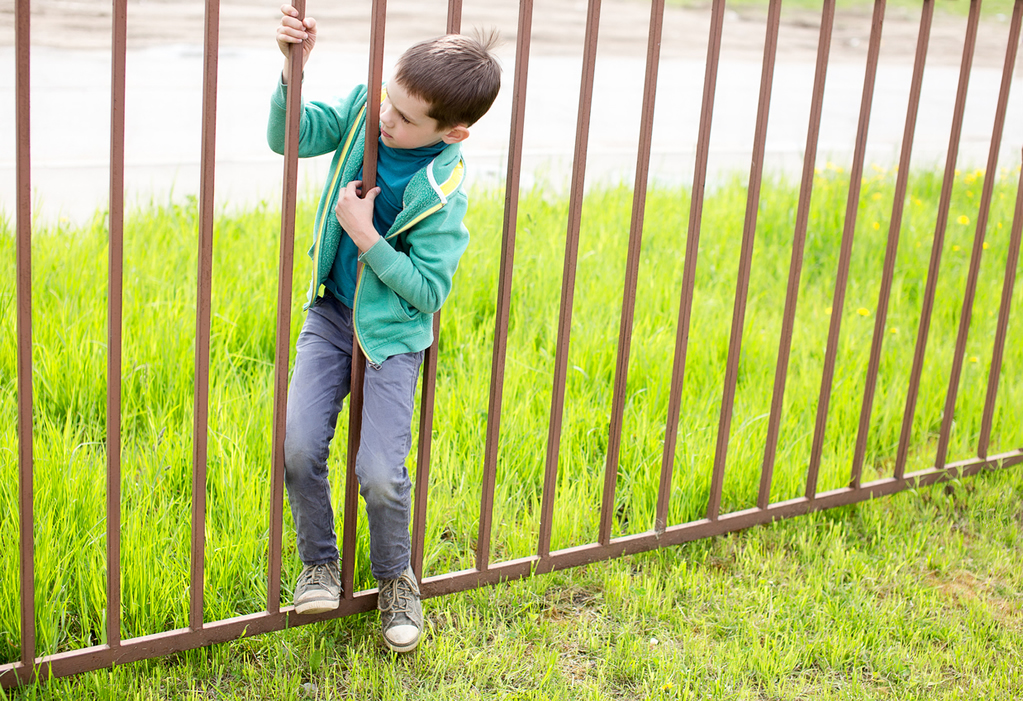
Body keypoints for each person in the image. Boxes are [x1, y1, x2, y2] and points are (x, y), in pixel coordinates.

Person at [268, 3, 500, 652]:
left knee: (378, 471)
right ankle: (319, 561)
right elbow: (289, 137)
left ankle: (396, 578)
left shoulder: (441, 188)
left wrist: (367, 238)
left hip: (393, 337)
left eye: (403, 117)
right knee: (296, 447)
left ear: (451, 132)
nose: (384, 118)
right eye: (387, 101)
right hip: (331, 315)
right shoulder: (369, 107)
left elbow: (428, 290)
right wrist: (293, 74)